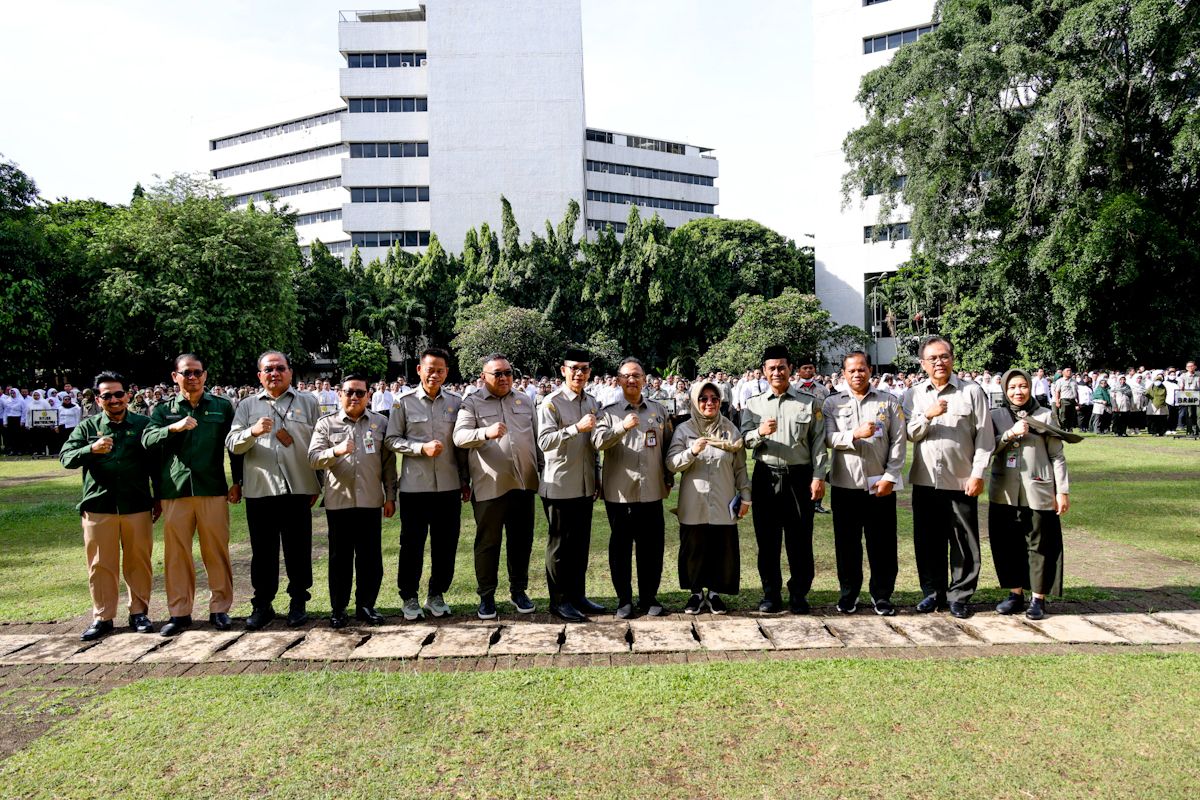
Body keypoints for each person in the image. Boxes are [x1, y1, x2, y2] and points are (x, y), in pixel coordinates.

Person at [142, 354, 239, 636]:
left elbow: (234, 447)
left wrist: (238, 481)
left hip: (212, 488)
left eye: (197, 372)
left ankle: (220, 608)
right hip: (176, 490)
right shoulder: (163, 410)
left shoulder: (221, 406)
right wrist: (173, 427)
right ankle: (180, 612)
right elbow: (147, 440)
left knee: (216, 551)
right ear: (175, 377)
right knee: (177, 554)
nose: (193, 378)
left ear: (205, 375)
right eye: (187, 373)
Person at [60, 371, 161, 640]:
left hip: (136, 504)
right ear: (98, 399)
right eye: (107, 396)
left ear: (127, 395)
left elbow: (157, 464)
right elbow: (66, 457)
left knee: (139, 561)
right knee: (100, 564)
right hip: (99, 505)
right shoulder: (87, 427)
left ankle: (139, 612)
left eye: (118, 394)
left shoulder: (144, 424)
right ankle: (103, 616)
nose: (114, 400)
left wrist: (159, 497)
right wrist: (90, 449)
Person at [227, 351, 322, 630]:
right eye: (268, 369)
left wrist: (318, 482)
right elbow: (233, 443)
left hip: (298, 487)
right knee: (263, 552)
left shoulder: (308, 402)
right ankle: (263, 604)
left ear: (290, 372)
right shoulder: (247, 406)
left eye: (280, 368)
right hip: (261, 488)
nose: (275, 373)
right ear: (260, 375)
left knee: (298, 550)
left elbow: (320, 442)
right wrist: (252, 432)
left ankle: (298, 602)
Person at [902, 336, 993, 619]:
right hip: (926, 479)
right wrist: (927, 415)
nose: (939, 362)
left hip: (961, 479)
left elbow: (985, 437)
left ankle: (960, 596)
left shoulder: (971, 391)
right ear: (923, 364)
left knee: (963, 540)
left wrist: (978, 474)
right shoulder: (913, 394)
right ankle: (932, 593)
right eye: (933, 358)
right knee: (928, 540)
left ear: (952, 359)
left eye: (944, 356)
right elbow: (909, 434)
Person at [740, 346, 828, 614]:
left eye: (781, 367)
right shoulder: (753, 403)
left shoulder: (808, 402)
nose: (777, 372)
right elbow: (743, 440)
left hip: (799, 477)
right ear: (764, 371)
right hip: (765, 476)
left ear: (790, 369)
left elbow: (818, 442)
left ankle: (799, 594)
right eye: (772, 368)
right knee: (767, 540)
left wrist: (819, 476)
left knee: (799, 539)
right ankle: (771, 594)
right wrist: (759, 432)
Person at [453, 354, 541, 620]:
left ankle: (519, 590)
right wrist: (485, 432)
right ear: (483, 377)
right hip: (489, 486)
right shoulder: (471, 402)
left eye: (508, 372)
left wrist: (541, 469)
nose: (504, 378)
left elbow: (535, 439)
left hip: (523, 483)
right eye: (497, 374)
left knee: (521, 541)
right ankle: (486, 596)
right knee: (488, 543)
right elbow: (459, 437)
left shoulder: (524, 400)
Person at [385, 347, 470, 620]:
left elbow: (461, 447)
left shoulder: (456, 402)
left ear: (447, 372)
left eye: (440, 370)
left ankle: (436, 594)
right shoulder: (403, 402)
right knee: (412, 545)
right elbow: (391, 440)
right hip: (415, 488)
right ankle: (409, 596)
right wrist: (420, 448)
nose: (435, 375)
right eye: (430, 369)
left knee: (446, 545)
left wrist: (464, 480)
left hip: (448, 487)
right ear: (419, 370)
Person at [309, 374, 397, 628]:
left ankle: (366, 606)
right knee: (340, 559)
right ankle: (338, 609)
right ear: (340, 394)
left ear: (369, 395)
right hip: (340, 502)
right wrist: (335, 451)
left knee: (370, 558)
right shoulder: (326, 424)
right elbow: (313, 458)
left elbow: (388, 464)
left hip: (370, 501)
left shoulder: (381, 423)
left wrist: (390, 496)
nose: (355, 397)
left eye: (360, 392)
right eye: (349, 392)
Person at [822, 351, 905, 616]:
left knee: (882, 544)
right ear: (843, 374)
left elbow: (898, 442)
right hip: (845, 486)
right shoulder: (832, 403)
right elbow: (827, 438)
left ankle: (882, 595)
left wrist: (890, 477)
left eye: (862, 369)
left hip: (880, 485)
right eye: (852, 370)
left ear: (870, 370)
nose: (857, 374)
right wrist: (853, 435)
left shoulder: (888, 401)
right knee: (847, 545)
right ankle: (849, 594)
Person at [593, 357, 674, 618]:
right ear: (618, 380)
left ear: (644, 379)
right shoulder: (608, 412)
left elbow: (669, 445)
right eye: (626, 375)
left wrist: (669, 475)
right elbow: (598, 441)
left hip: (652, 490)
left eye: (636, 375)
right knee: (621, 548)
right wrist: (621, 427)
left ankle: (649, 597)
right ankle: (624, 599)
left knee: (652, 548)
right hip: (620, 492)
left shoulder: (658, 410)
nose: (631, 380)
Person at [989, 369, 1070, 620]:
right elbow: (986, 448)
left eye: (1023, 386)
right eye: (1012, 387)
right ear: (1005, 390)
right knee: (1008, 544)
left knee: (1040, 544)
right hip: (1004, 492)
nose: (1018, 392)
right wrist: (1009, 434)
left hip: (1038, 490)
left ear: (1031, 387)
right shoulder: (996, 416)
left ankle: (1038, 598)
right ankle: (1015, 594)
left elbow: (1057, 455)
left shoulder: (1045, 415)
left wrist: (1062, 491)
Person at [668, 380, 751, 614]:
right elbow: (671, 464)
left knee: (721, 548)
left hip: (723, 500)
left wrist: (745, 497)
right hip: (693, 501)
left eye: (714, 399)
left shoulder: (730, 430)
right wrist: (692, 451)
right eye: (703, 399)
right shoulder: (684, 430)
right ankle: (695, 593)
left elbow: (740, 468)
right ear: (695, 401)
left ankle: (715, 593)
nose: (709, 403)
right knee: (693, 549)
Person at [537, 349, 603, 622]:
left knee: (580, 545)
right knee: (560, 547)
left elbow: (594, 445)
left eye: (584, 369)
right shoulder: (551, 403)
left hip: (585, 483)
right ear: (563, 370)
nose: (579, 373)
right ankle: (559, 600)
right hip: (560, 484)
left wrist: (597, 475)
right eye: (574, 368)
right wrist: (575, 428)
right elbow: (544, 442)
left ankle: (578, 596)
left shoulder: (592, 402)